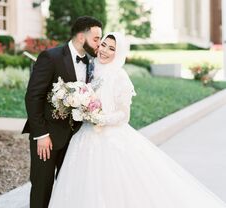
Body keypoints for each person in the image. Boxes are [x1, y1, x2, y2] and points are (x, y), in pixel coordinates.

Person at [48, 32, 226, 208]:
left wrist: (99, 118)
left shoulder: (119, 76)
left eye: (112, 49)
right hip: (85, 136)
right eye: (103, 45)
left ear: (118, 54)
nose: (105, 50)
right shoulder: (91, 70)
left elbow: (124, 115)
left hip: (110, 138)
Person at [22, 16, 103, 208]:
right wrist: (41, 134)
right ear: (82, 37)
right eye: (96, 38)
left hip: (75, 138)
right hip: (47, 138)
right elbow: (33, 96)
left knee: (70, 189)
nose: (99, 44)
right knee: (42, 188)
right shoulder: (51, 57)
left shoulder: (91, 63)